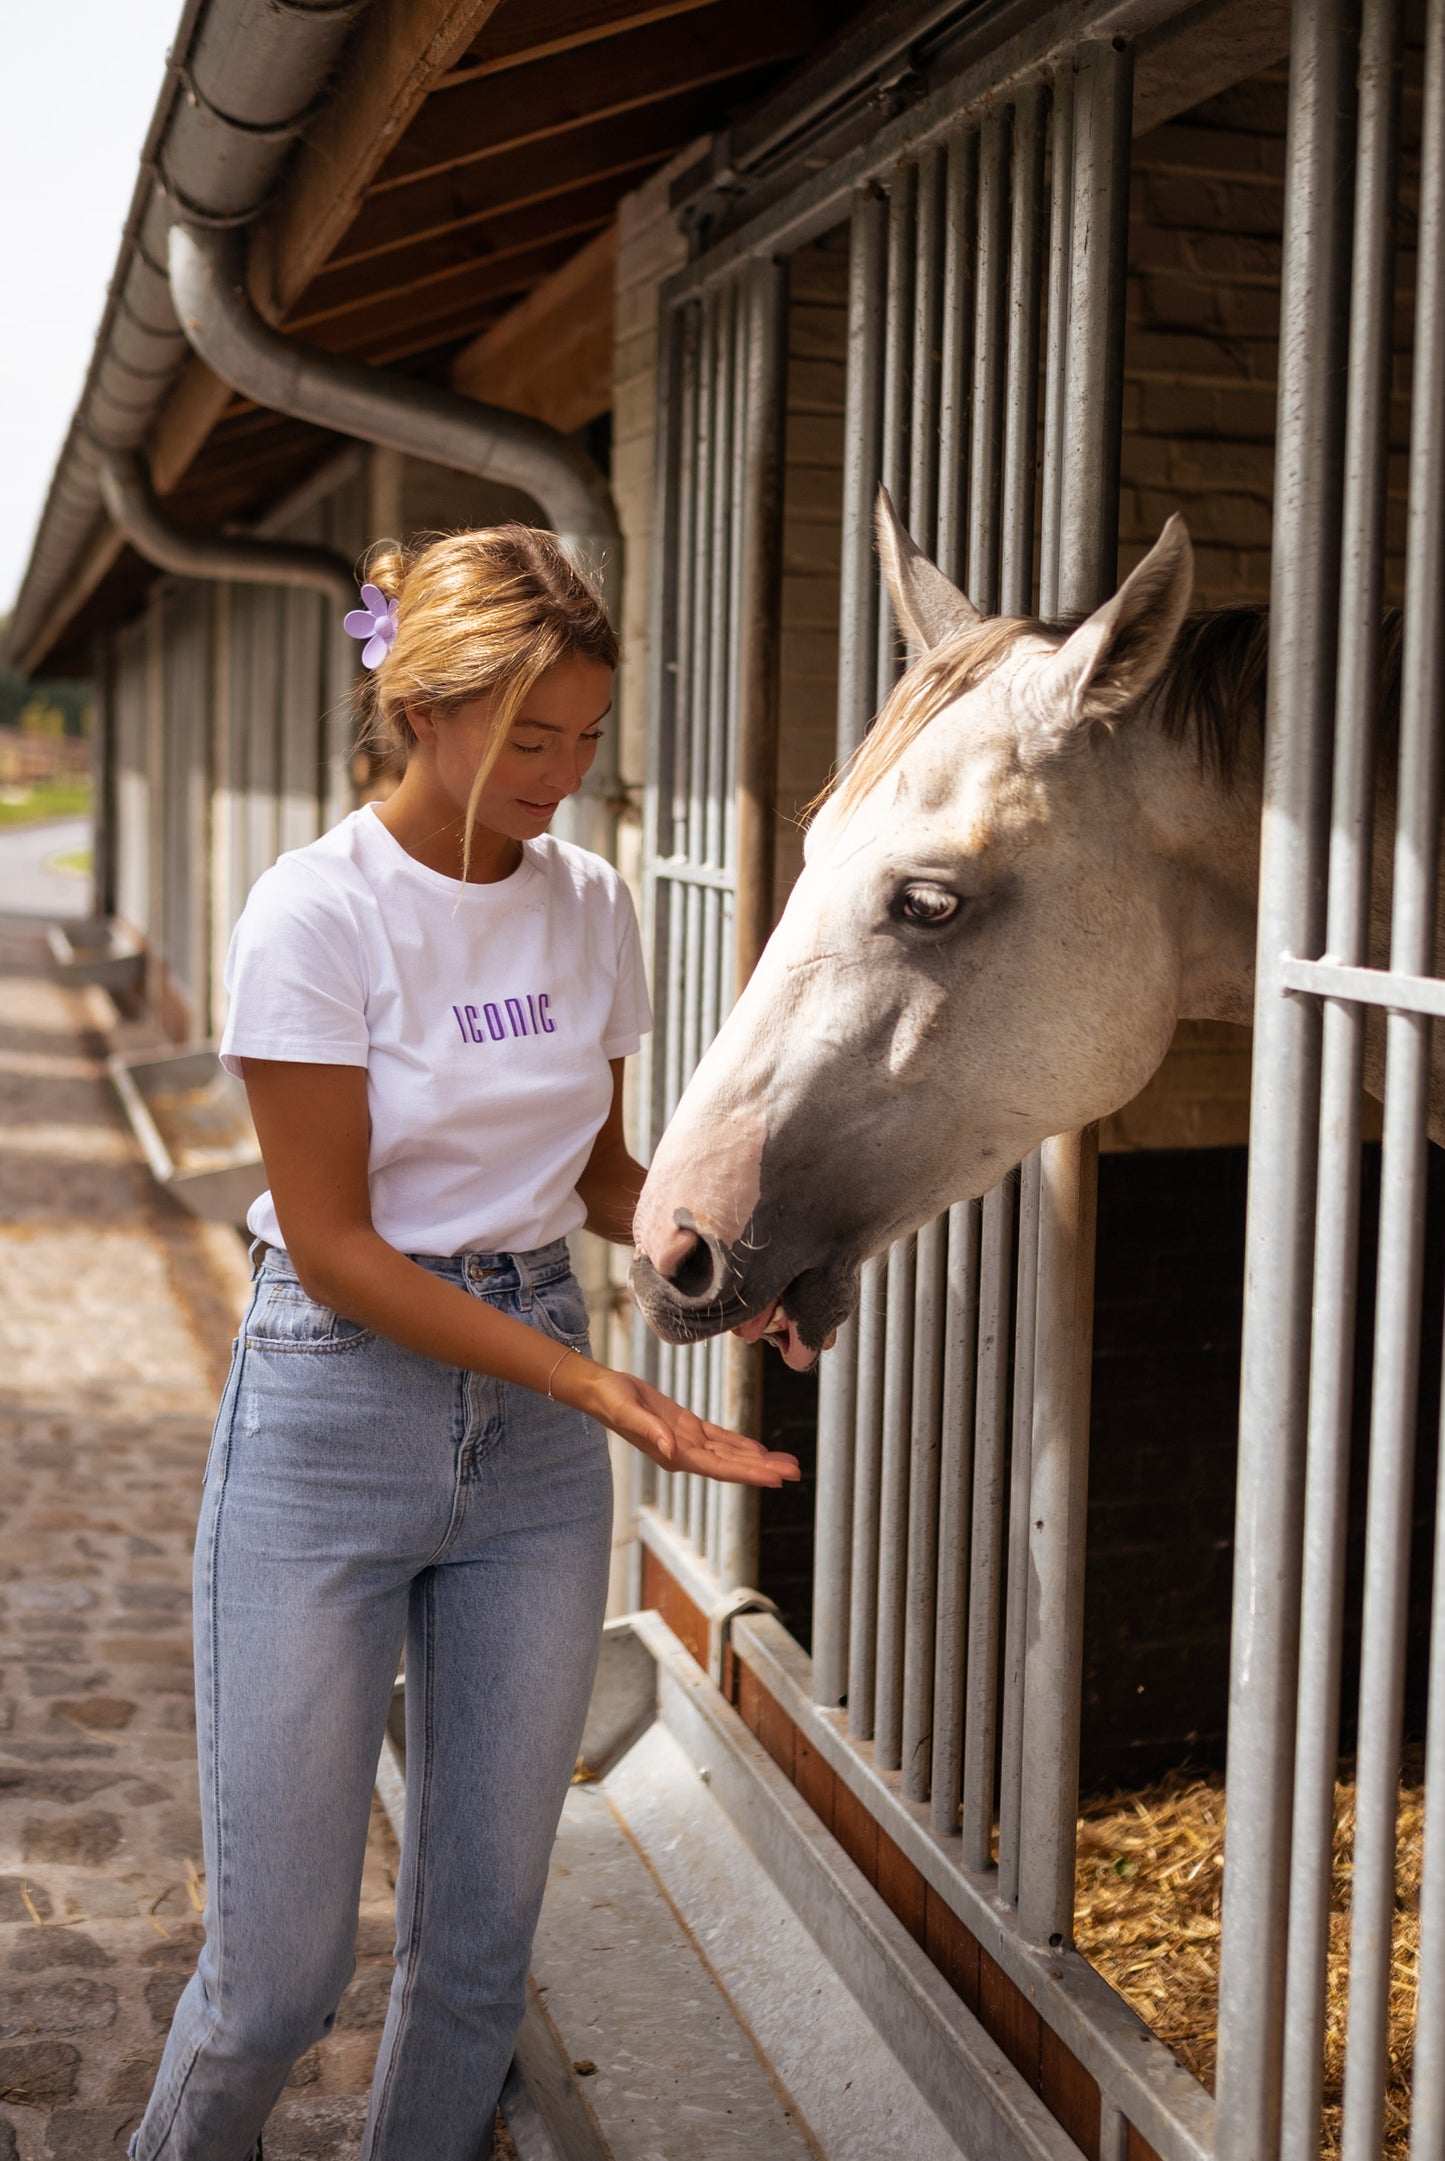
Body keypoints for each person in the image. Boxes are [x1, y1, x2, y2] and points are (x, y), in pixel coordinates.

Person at [130, 525, 799, 2161]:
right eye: (527, 739)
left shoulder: (590, 907)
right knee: (276, 1982)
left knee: (481, 1961)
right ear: (419, 707)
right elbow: (343, 1246)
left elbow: (592, 1171)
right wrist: (597, 1384)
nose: (561, 776)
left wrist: (715, 1266)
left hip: (535, 1461)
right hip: (332, 1416)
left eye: (583, 738)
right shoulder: (315, 913)